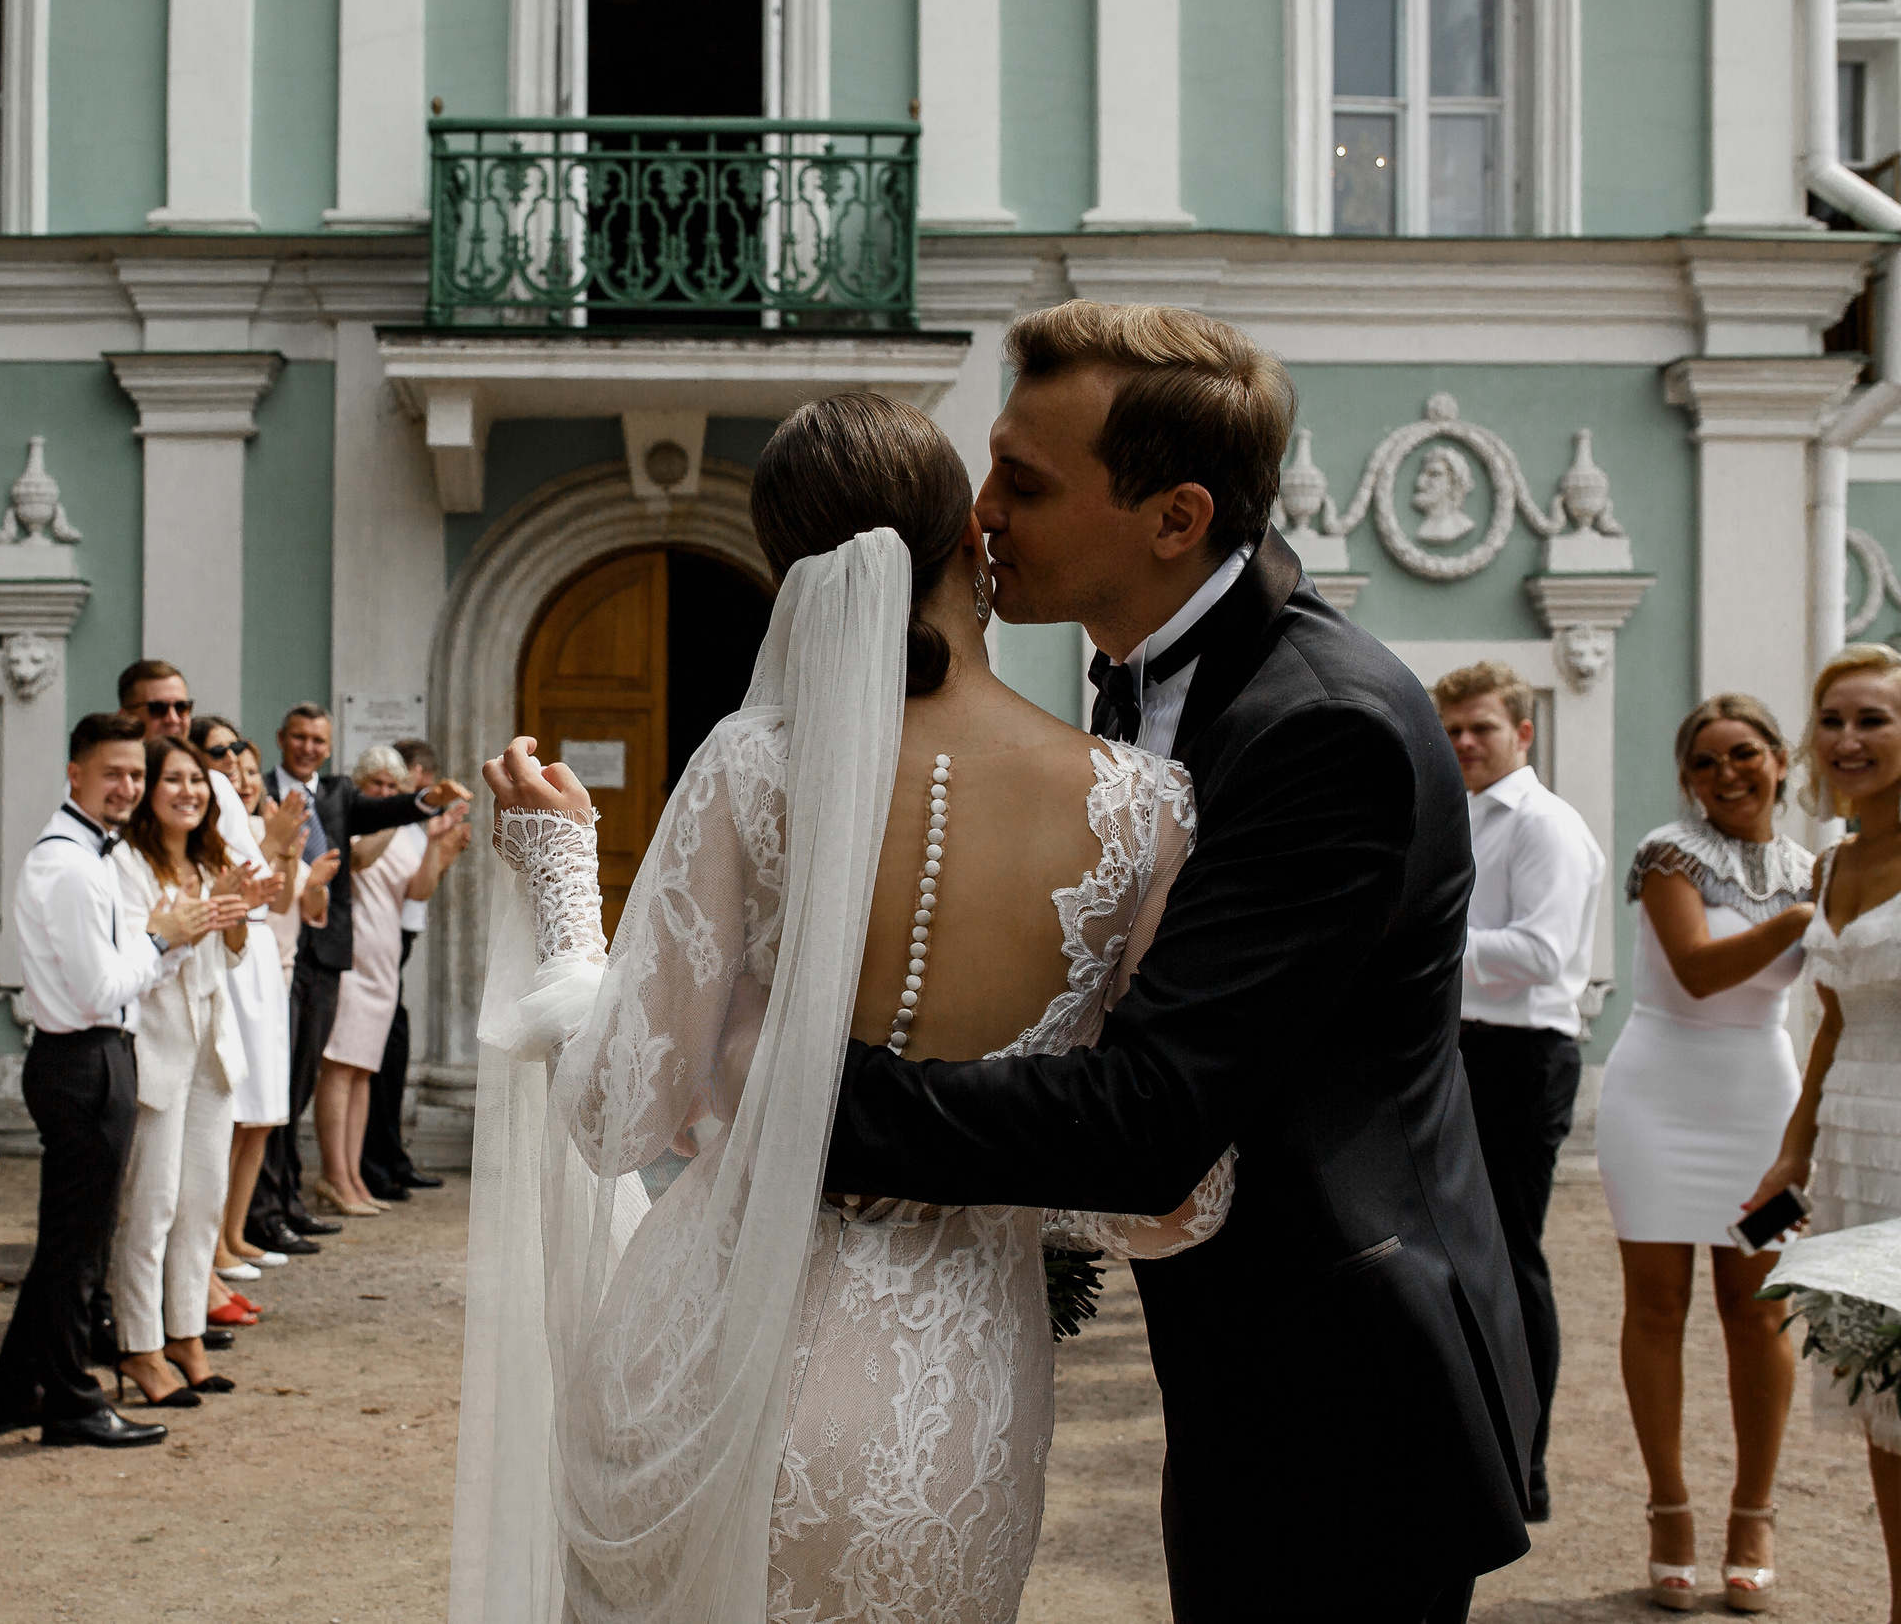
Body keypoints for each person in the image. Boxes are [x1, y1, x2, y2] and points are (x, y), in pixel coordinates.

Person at [808, 303, 1532, 1622]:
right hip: (1249, 1366)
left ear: (1174, 516)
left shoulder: (1328, 730)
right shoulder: (1140, 679)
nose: (979, 515)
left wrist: (800, 1094)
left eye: (1023, 482)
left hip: (1347, 1392)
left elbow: (1150, 1116)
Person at [462, 392, 1232, 1624]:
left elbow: (614, 1116)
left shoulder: (749, 766)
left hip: (702, 1355)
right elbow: (1179, 1201)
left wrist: (561, 877)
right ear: (968, 544)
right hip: (947, 1394)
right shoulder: (1143, 807)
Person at [1599, 694, 1812, 1611]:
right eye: (1704, 761)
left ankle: (1754, 1515)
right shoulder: (1667, 853)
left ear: (1780, 759)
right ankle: (1669, 1510)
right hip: (1654, 1104)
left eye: (1744, 752)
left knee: (1761, 1310)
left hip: (1767, 1107)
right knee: (1656, 1306)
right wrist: (1814, 913)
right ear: (1687, 779)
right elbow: (1696, 966)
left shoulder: (1815, 865)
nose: (1726, 772)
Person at [0, 711, 210, 1449]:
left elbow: (123, 977)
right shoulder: (69, 864)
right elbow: (97, 988)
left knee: (71, 1242)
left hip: (97, 1052)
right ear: (75, 774)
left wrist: (173, 940)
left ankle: (14, 1392)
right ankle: (71, 1400)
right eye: (113, 773)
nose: (128, 787)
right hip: (82, 1057)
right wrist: (159, 939)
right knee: (77, 1249)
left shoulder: (93, 857)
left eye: (136, 773)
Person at [1748, 642, 1901, 1621]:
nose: (1847, 740)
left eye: (1872, 720)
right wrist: (1794, 1147)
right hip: (1850, 1146)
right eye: (1833, 721)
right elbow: (1835, 1018)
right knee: (1883, 1406)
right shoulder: (1832, 858)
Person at [1436, 658, 1606, 1523]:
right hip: (1464, 1048)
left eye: (1482, 727)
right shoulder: (1457, 816)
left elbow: (1542, 953)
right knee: (1467, 1254)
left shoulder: (1546, 826)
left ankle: (1526, 1462)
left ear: (1524, 732)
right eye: (1454, 728)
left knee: (1513, 1257)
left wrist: (1422, 940)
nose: (1465, 741)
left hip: (1524, 1056)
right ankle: (1479, 1443)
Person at [252, 705, 467, 1253]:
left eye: (317, 739)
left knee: (310, 1079)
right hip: (274, 943)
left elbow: (388, 821)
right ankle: (276, 1201)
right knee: (289, 1081)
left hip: (331, 947)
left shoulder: (339, 793)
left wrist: (427, 805)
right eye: (298, 737)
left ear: (327, 746)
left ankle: (298, 1195)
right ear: (282, 739)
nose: (307, 747)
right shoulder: (262, 794)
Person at [109, 735, 255, 1402]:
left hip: (210, 1047)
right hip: (156, 1046)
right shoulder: (127, 864)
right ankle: (139, 1344)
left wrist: (231, 915)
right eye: (174, 780)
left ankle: (187, 1334)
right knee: (153, 1203)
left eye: (197, 781)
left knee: (202, 1201)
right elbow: (136, 956)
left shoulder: (207, 859)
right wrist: (188, 922)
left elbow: (232, 954)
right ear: (148, 790)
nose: (189, 792)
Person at [220, 734, 333, 1266]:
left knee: (265, 1109)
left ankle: (235, 1232)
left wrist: (285, 846)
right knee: (236, 1111)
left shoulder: (264, 825)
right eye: (231, 769)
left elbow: (283, 900)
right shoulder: (217, 829)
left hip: (265, 955)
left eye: (249, 770)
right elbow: (232, 894)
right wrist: (275, 844)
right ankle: (216, 1240)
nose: (243, 780)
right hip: (235, 958)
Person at [361, 738, 456, 1200]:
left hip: (390, 945)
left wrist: (442, 846)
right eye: (377, 784)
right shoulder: (378, 822)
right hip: (364, 950)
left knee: (391, 1056)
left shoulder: (408, 827)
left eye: (393, 784)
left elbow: (417, 890)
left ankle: (388, 1158)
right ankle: (371, 1165)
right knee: (368, 1064)